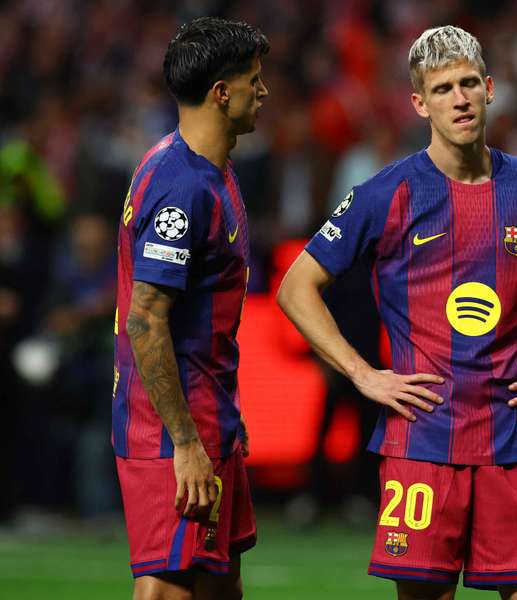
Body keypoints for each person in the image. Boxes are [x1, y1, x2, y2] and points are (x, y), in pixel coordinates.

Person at [277, 25, 517, 600]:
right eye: (444, 87)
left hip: (511, 435)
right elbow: (297, 285)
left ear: (490, 88)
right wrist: (363, 374)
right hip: (422, 440)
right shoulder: (388, 192)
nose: (459, 98)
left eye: (469, 83)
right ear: (419, 102)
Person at [113, 17, 268, 600]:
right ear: (221, 93)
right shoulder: (182, 187)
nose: (264, 91)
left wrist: (221, 416)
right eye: (254, 80)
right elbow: (146, 319)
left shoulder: (207, 171)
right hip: (171, 436)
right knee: (168, 588)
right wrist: (183, 442)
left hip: (209, 420)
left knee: (220, 584)